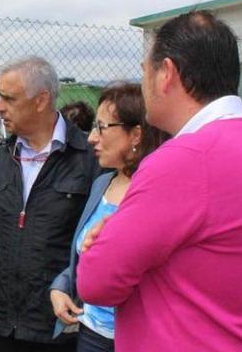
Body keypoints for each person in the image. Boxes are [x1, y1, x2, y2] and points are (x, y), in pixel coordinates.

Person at [77, 11, 242, 351]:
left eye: (144, 72)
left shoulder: (183, 160)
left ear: (166, 73)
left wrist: (103, 240)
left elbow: (96, 284)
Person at [0, 56, 97, 352]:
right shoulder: (0, 158)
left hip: (59, 328)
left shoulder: (88, 160)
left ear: (41, 100)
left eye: (9, 98)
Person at [49, 82, 169, 352]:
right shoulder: (101, 185)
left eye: (102, 128)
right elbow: (87, 257)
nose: (91, 137)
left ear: (136, 134)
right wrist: (60, 287)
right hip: (91, 333)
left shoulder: (156, 197)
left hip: (137, 339)